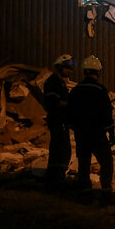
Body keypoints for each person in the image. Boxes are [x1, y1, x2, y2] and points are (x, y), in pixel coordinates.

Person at [68, 55, 115, 205]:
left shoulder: (76, 90)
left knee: (83, 162)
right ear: (98, 72)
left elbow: (70, 112)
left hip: (81, 133)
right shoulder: (100, 90)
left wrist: (75, 128)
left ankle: (84, 193)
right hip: (97, 133)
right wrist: (111, 133)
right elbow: (107, 113)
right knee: (106, 160)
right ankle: (106, 191)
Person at [43, 54, 75, 188]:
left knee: (61, 147)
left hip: (62, 120)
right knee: (61, 148)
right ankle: (56, 177)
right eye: (67, 68)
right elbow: (53, 102)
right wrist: (72, 104)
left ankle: (56, 175)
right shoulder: (53, 82)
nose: (69, 71)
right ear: (59, 67)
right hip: (57, 119)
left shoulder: (61, 83)